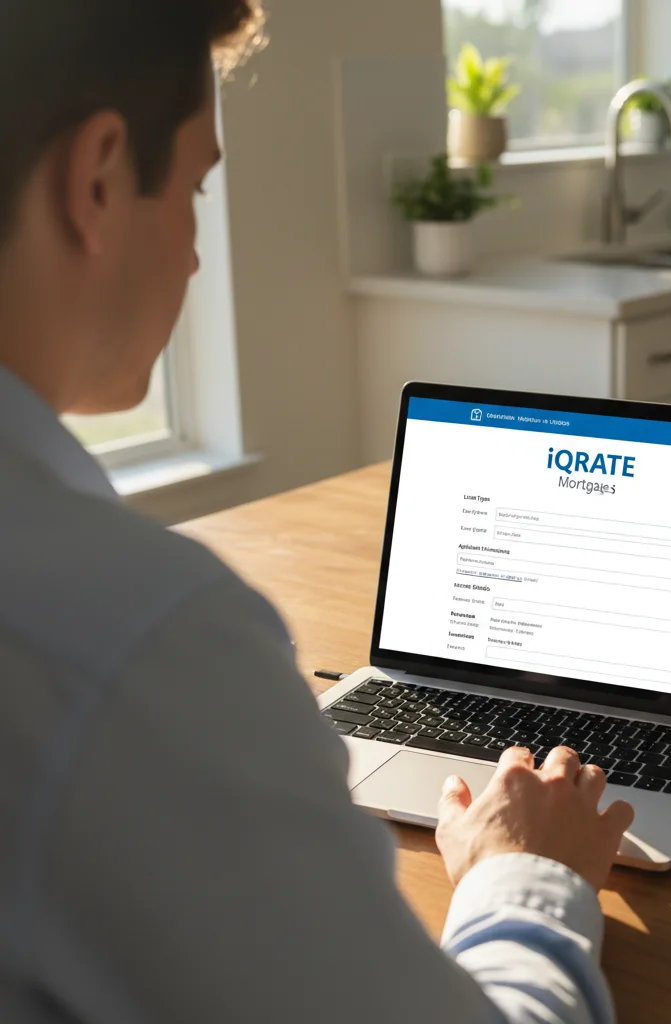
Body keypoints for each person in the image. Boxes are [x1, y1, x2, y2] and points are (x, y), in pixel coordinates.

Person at [0, 3, 636, 1022]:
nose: (199, 254)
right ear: (98, 178)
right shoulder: (136, 645)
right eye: (199, 185)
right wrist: (527, 874)